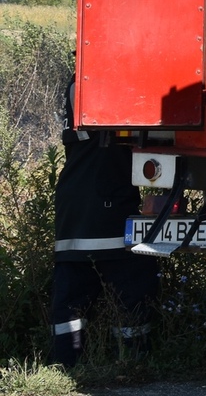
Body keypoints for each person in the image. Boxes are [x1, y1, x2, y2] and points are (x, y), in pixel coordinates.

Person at [50, 80, 159, 369]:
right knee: (130, 285)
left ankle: (69, 362)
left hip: (77, 210)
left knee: (72, 296)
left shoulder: (80, 84)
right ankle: (131, 359)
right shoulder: (89, 86)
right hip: (103, 206)